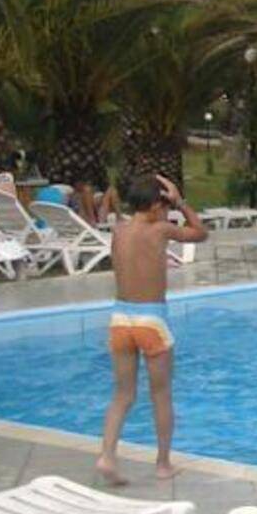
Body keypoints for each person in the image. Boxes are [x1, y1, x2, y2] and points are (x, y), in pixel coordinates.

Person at [97, 174, 208, 486]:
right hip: (151, 321)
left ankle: (107, 456)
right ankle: (162, 464)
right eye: (166, 206)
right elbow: (201, 234)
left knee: (122, 395)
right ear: (158, 205)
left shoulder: (119, 230)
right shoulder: (160, 230)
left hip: (120, 319)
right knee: (160, 395)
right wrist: (181, 202)